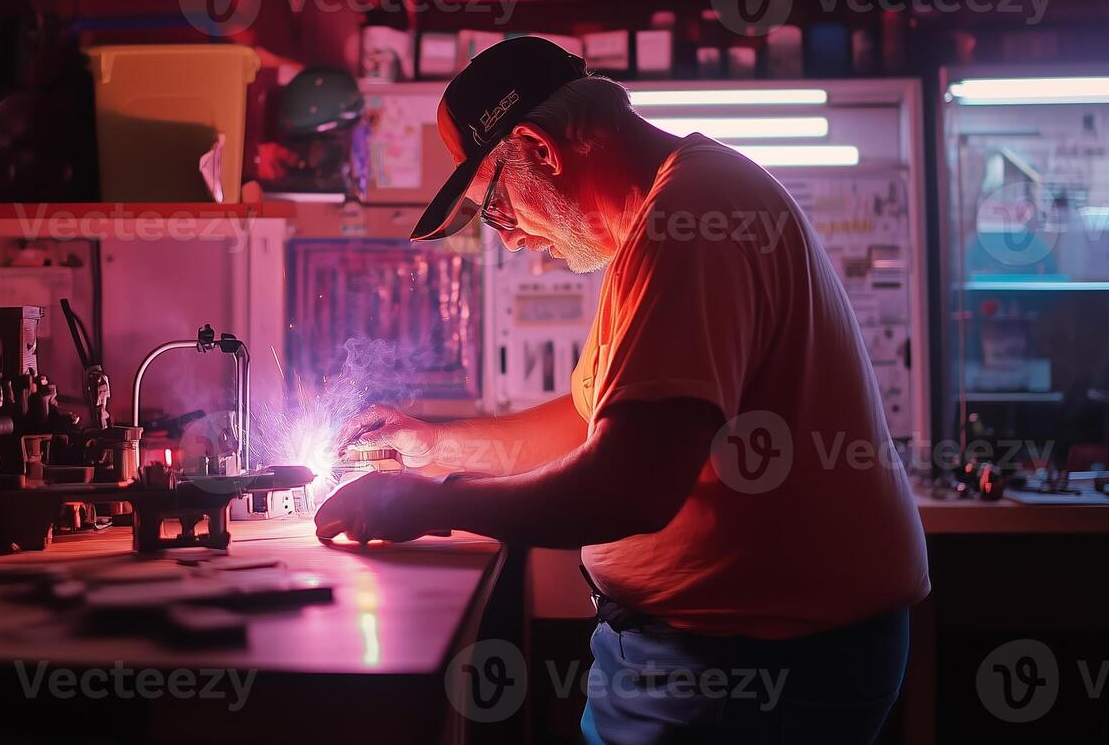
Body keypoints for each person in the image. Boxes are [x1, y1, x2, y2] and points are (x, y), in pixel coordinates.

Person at [314, 36, 929, 743]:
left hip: (747, 666)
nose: (509, 239)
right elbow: (594, 422)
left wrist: (433, 505)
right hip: (707, 654)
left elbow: (630, 482)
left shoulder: (693, 215)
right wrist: (433, 447)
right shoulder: (670, 216)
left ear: (538, 149)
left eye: (495, 208)